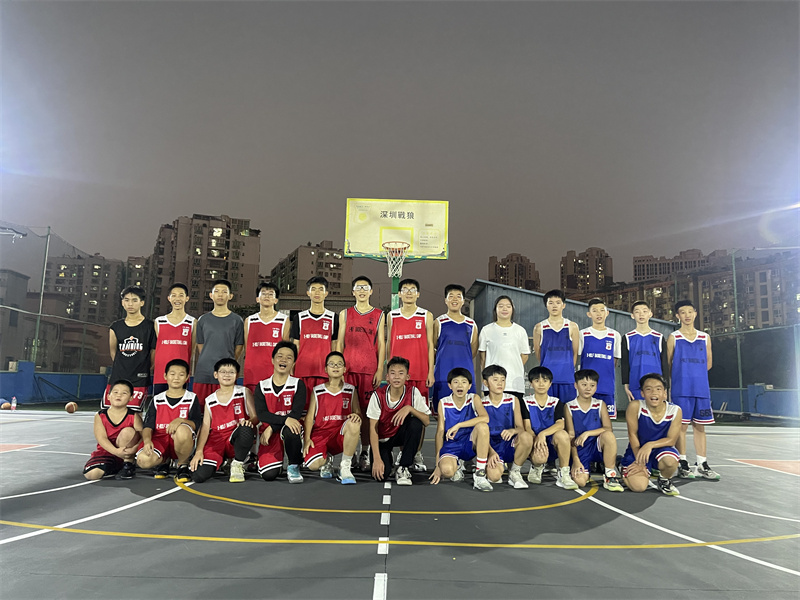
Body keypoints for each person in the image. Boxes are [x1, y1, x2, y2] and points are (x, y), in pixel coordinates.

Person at [336, 276, 385, 471]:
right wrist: (338, 367)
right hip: (348, 370)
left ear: (371, 291)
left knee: (366, 413)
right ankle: (349, 452)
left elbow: (381, 343)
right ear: (353, 291)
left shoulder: (379, 314)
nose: (362, 290)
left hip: (368, 370)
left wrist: (380, 369)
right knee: (347, 413)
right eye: (358, 287)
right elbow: (340, 342)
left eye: (365, 287)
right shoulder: (345, 314)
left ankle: (365, 450)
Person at [667, 300, 719, 480]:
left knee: (700, 426)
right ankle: (682, 462)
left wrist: (696, 374)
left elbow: (709, 363)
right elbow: (668, 364)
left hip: (701, 389)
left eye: (690, 311)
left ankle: (702, 463)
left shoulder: (705, 337)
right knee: (681, 427)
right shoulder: (674, 337)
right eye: (683, 312)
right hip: (681, 389)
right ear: (677, 316)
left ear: (695, 313)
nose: (687, 315)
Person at [386, 277, 434, 472]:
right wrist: (387, 370)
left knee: (419, 417)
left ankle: (417, 452)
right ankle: (402, 452)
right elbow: (389, 343)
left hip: (420, 373)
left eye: (412, 289)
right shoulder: (392, 315)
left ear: (418, 294)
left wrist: (431, 371)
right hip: (398, 377)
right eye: (404, 289)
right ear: (399, 294)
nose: (408, 292)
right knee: (397, 414)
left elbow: (430, 345)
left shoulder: (426, 315)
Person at [189, 358, 256, 483]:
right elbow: (205, 428)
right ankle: (223, 462)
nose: (227, 375)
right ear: (216, 374)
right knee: (199, 476)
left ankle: (237, 463)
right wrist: (199, 451)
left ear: (237, 375)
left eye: (231, 372)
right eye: (223, 372)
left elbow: (255, 417)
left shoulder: (244, 392)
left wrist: (250, 421)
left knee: (246, 429)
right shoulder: (210, 400)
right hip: (216, 441)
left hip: (235, 438)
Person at [367, 356, 431, 486]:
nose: (396, 377)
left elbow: (426, 421)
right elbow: (373, 429)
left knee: (416, 423)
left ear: (407, 377)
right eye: (393, 373)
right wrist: (377, 459)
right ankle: (386, 458)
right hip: (383, 439)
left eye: (401, 373)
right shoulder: (377, 395)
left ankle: (403, 467)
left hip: (400, 434)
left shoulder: (413, 392)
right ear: (387, 377)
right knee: (381, 476)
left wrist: (410, 408)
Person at [136, 359, 201, 483]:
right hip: (160, 439)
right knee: (143, 461)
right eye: (172, 374)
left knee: (182, 430)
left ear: (187, 377)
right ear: (165, 376)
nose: (176, 378)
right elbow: (148, 425)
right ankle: (163, 461)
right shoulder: (157, 399)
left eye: (181, 374)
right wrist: (147, 441)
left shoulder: (191, 398)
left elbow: (196, 424)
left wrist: (181, 421)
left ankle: (182, 464)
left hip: (180, 440)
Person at [428, 367, 493, 491]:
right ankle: (457, 465)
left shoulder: (474, 398)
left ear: (469, 386)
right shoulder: (443, 402)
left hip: (470, 443)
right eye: (456, 382)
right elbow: (440, 432)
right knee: (447, 471)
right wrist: (437, 464)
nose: (460, 385)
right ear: (450, 385)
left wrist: (459, 425)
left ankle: (479, 475)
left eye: (464, 382)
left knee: (482, 426)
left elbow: (485, 418)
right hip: (452, 444)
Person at [303, 352, 361, 484]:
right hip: (321, 435)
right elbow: (309, 417)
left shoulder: (350, 390)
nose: (336, 367)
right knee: (313, 465)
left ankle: (345, 467)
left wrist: (356, 415)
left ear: (344, 369)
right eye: (332, 364)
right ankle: (326, 460)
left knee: (354, 423)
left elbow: (358, 412)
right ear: (325, 369)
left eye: (339, 364)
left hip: (340, 434)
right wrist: (307, 439)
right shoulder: (317, 390)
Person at [253, 341, 307, 483]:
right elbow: (262, 414)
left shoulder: (298, 384)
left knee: (292, 427)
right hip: (269, 434)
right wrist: (280, 422)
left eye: (289, 358)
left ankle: (294, 465)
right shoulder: (262, 386)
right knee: (269, 475)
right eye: (280, 356)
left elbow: (295, 414)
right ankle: (276, 464)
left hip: (287, 429)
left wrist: (273, 426)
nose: (284, 360)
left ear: (294, 363)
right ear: (272, 360)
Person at [621, 373, 681, 496]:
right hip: (638, 450)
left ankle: (664, 479)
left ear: (665, 393)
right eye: (648, 389)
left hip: (661, 449)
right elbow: (632, 435)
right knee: (639, 487)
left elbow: (671, 440)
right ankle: (622, 465)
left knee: (670, 462)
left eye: (658, 389)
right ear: (642, 393)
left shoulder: (675, 410)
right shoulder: (635, 406)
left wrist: (650, 445)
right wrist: (640, 462)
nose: (654, 392)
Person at [563, 369, 624, 492]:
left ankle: (610, 475)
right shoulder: (569, 406)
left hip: (597, 445)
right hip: (580, 448)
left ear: (596, 387)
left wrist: (587, 433)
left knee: (608, 436)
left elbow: (608, 428)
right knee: (580, 482)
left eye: (592, 385)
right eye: (584, 384)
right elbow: (570, 436)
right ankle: (592, 466)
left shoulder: (600, 404)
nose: (588, 388)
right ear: (576, 385)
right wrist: (576, 460)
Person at [522, 366, 576, 489]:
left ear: (550, 383)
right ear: (531, 383)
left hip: (551, 442)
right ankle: (536, 467)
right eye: (537, 380)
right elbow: (527, 427)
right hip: (536, 441)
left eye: (545, 380)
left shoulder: (556, 402)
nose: (541, 384)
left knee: (563, 435)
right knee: (529, 439)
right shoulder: (525, 402)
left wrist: (543, 434)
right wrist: (537, 439)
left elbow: (560, 424)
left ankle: (564, 473)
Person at [193, 279, 245, 407]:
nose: (220, 294)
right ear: (211, 295)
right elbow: (201, 346)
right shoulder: (203, 320)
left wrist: (228, 363)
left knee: (225, 409)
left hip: (226, 374)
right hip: (204, 372)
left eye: (224, 292)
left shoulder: (237, 320)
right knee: (201, 409)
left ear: (230, 296)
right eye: (216, 291)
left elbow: (239, 346)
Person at [481, 364, 533, 489]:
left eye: (502, 380)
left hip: (508, 443)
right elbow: (478, 435)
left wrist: (512, 430)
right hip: (490, 445)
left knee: (526, 436)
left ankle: (514, 472)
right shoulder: (481, 403)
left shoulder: (513, 400)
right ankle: (492, 465)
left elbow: (520, 428)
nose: (500, 383)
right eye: (495, 380)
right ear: (485, 383)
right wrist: (490, 452)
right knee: (494, 477)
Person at [105, 286, 156, 411]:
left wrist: (144, 367)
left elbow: (154, 353)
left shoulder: (151, 326)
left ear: (142, 302)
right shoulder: (115, 327)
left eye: (134, 300)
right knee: (110, 413)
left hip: (139, 379)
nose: (130, 304)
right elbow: (113, 352)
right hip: (117, 378)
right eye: (126, 300)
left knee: (134, 415)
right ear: (122, 303)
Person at [84, 380, 143, 480]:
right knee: (92, 475)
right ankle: (115, 465)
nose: (119, 395)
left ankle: (128, 463)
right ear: (108, 396)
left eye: (124, 393)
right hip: (107, 451)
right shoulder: (100, 415)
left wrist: (134, 449)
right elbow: (101, 438)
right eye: (115, 392)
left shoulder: (134, 416)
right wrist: (116, 451)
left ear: (131, 398)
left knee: (128, 432)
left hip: (126, 452)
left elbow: (143, 436)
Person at [432, 284, 478, 407]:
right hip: (443, 375)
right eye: (451, 296)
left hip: (466, 375)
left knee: (467, 410)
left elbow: (473, 350)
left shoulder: (471, 324)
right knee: (442, 411)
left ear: (463, 301)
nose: (455, 299)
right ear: (445, 300)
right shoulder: (439, 322)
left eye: (458, 296)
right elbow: (432, 346)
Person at [291, 276, 338, 396]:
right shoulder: (299, 318)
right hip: (302, 370)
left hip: (324, 371)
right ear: (308, 293)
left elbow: (335, 346)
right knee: (303, 406)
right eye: (313, 289)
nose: (317, 292)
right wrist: (292, 367)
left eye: (321, 289)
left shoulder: (333, 317)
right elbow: (296, 345)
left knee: (322, 406)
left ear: (326, 293)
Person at [478, 295, 530, 401]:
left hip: (514, 383)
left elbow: (524, 355)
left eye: (508, 306)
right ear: (495, 309)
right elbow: (482, 358)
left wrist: (513, 366)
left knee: (515, 410)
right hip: (492, 383)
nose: (504, 309)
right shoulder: (486, 330)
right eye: (501, 306)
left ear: (512, 309)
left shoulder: (520, 331)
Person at [533, 289, 580, 404]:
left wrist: (568, 369)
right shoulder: (539, 327)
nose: (554, 306)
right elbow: (538, 352)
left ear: (563, 305)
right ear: (546, 305)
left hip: (567, 379)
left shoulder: (572, 326)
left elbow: (575, 352)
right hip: (547, 380)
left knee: (568, 411)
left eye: (558, 302)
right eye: (551, 303)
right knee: (548, 411)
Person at [578, 298, 621, 418]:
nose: (599, 313)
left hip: (607, 386)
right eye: (595, 310)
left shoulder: (615, 335)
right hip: (587, 386)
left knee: (606, 420)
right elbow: (577, 358)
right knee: (586, 419)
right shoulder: (582, 334)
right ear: (589, 314)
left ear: (607, 313)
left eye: (602, 310)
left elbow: (614, 361)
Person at [243, 282, 289, 393]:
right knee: (252, 403)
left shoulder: (283, 320)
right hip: (253, 372)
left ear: (276, 300)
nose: (267, 296)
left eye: (271, 294)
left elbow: (286, 349)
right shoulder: (249, 320)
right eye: (263, 293)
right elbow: (247, 347)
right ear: (257, 299)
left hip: (274, 372)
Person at [152, 283, 196, 397]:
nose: (177, 299)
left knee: (180, 405)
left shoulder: (192, 322)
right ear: (169, 298)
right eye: (174, 295)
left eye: (181, 295)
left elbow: (192, 348)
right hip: (161, 374)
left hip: (181, 375)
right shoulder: (159, 321)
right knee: (160, 405)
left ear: (187, 298)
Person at [622, 301, 668, 402]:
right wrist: (626, 385)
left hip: (656, 386)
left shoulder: (659, 337)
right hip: (635, 384)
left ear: (650, 314)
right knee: (637, 411)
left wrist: (666, 387)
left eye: (644, 311)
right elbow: (625, 363)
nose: (641, 314)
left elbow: (664, 364)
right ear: (632, 315)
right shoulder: (627, 337)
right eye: (637, 312)